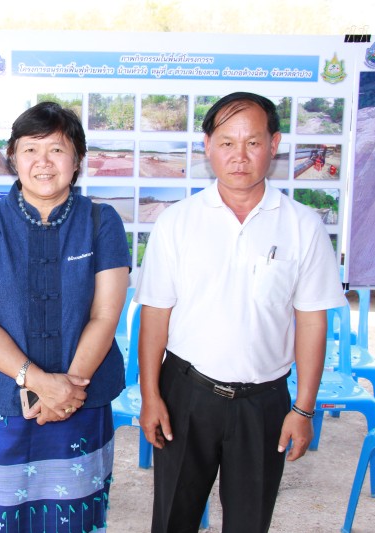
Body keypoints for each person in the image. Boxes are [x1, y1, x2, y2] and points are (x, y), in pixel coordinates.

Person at [134, 92, 347, 532]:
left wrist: (303, 410)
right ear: (208, 146)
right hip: (186, 394)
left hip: (264, 403)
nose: (239, 156)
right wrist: (151, 396)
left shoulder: (302, 225)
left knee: (250, 523)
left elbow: (311, 321)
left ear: (274, 144)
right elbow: (155, 315)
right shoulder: (177, 222)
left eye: (252, 142)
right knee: (172, 519)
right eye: (227, 143)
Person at [0, 101, 131, 532]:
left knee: (76, 517)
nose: (43, 162)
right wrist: (40, 383)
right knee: (6, 516)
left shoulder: (102, 221)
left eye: (57, 149)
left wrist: (67, 391)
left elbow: (105, 315)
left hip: (83, 397)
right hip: (7, 402)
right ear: (12, 157)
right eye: (30, 149)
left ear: (78, 159)